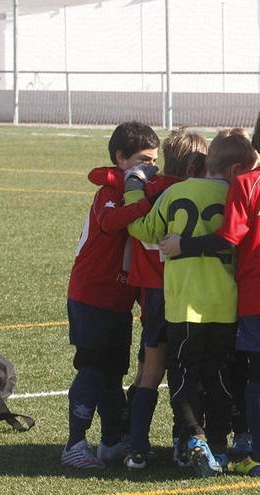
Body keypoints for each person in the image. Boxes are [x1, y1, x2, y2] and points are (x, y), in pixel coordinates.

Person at [159, 99, 260, 477]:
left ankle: (259, 456)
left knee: (259, 373)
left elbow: (229, 239)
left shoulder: (248, 182)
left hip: (258, 296)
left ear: (259, 141)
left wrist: (186, 245)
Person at [129, 128, 256, 477]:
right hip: (225, 303)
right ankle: (217, 442)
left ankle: (193, 438)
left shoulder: (176, 192)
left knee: (183, 374)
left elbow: (141, 229)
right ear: (235, 170)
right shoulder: (237, 196)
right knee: (218, 375)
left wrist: (132, 191)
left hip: (183, 303)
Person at [62, 121, 159, 469]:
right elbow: (110, 223)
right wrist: (144, 206)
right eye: (143, 160)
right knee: (92, 368)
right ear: (120, 158)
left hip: (119, 301)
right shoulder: (110, 192)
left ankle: (111, 442)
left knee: (113, 373)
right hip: (92, 296)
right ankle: (74, 444)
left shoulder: (139, 189)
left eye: (154, 161)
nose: (150, 168)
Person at [121, 129, 208, 470]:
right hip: (186, 292)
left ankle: (136, 446)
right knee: (188, 371)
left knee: (150, 371)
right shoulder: (198, 194)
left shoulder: (149, 190)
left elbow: (136, 226)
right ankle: (181, 442)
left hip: (153, 298)